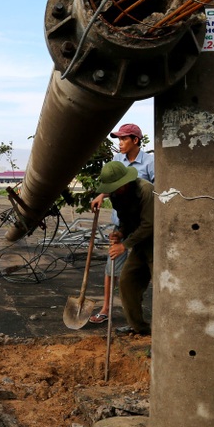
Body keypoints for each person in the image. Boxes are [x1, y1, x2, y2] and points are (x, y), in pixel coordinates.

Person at [89, 123, 155, 324]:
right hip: (128, 227)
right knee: (119, 274)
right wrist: (121, 234)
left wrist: (125, 244)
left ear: (135, 140)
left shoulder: (148, 170)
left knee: (159, 279)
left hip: (149, 230)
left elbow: (149, 222)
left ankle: (164, 333)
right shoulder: (117, 164)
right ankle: (131, 323)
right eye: (118, 139)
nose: (120, 143)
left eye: (124, 138)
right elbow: (125, 214)